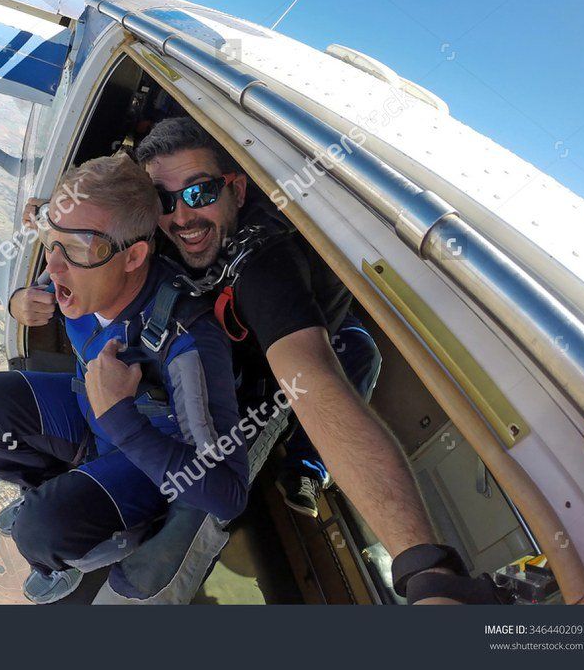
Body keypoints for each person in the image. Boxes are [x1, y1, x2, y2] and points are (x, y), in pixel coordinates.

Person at [132, 116, 502, 604]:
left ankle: (304, 466)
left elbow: (315, 378)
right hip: (233, 348)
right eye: (164, 199)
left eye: (200, 193)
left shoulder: (263, 260)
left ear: (237, 192)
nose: (181, 217)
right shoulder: (163, 225)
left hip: (298, 340)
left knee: (351, 358)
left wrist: (427, 571)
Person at [0, 153, 247, 604]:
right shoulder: (81, 272)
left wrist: (122, 419)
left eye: (79, 248)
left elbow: (227, 494)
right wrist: (17, 300)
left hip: (145, 457)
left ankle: (73, 557)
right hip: (92, 412)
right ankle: (50, 490)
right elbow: (64, 251)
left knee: (39, 532)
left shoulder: (188, 343)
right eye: (52, 242)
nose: (54, 267)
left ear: (134, 257)